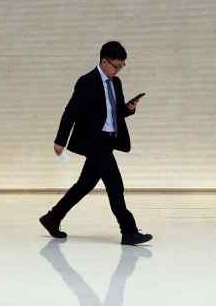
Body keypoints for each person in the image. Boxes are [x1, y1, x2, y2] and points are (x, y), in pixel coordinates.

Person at [39, 41, 153, 245]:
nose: (118, 71)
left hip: (109, 140)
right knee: (115, 186)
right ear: (104, 61)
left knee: (84, 184)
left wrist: (128, 108)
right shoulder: (86, 82)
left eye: (122, 67)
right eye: (116, 66)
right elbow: (70, 112)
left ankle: (52, 218)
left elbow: (115, 113)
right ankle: (129, 231)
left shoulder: (116, 83)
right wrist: (60, 140)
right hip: (94, 141)